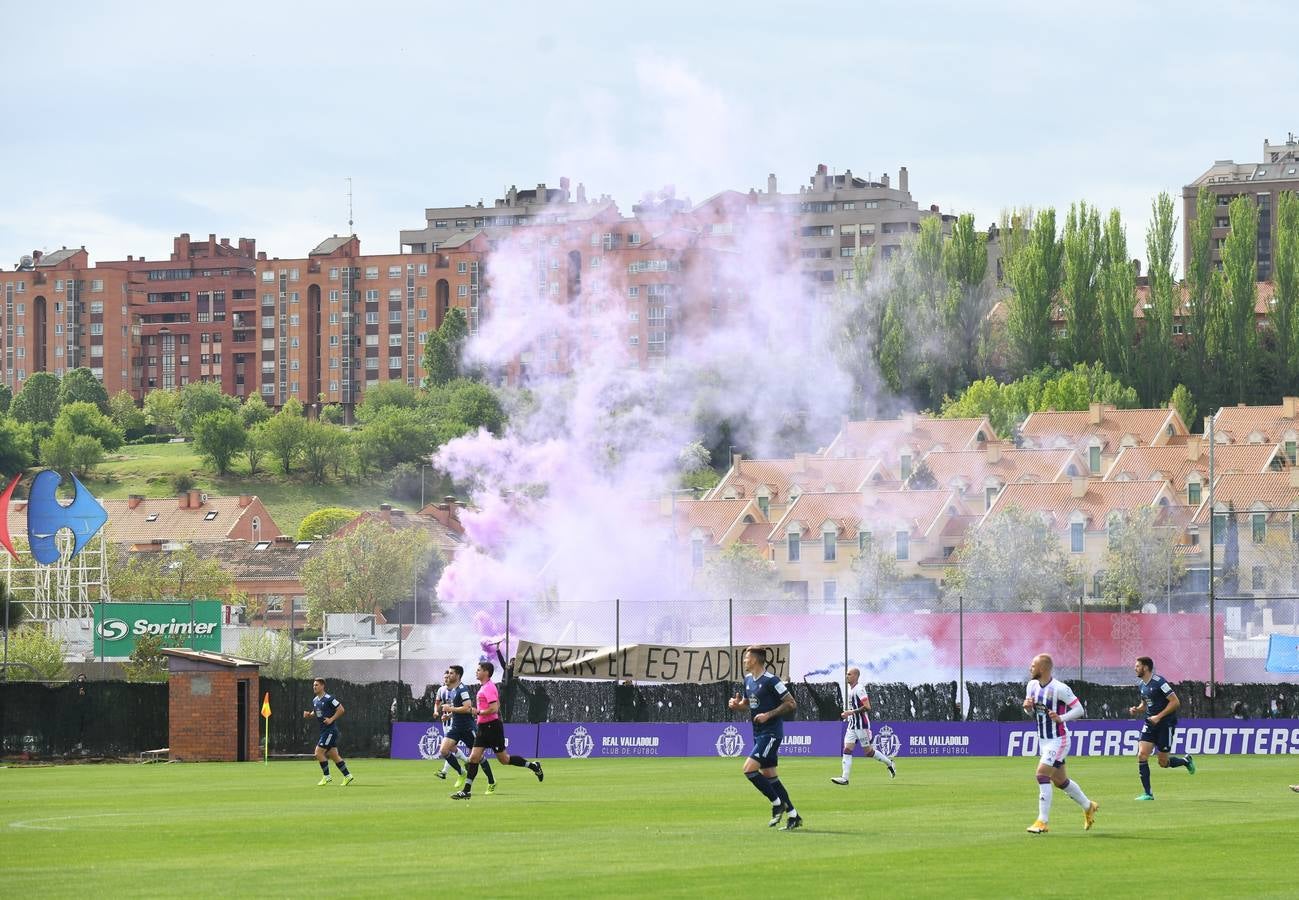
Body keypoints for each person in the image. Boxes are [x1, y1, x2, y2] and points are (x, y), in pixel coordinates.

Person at [727, 646, 803, 830]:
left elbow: (791, 703)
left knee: (749, 770)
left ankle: (777, 804)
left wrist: (768, 715)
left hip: (771, 734)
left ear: (755, 660)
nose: (744, 661)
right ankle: (794, 816)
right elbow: (748, 704)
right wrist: (738, 706)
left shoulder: (772, 680)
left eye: (746, 658)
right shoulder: (747, 680)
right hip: (758, 733)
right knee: (771, 777)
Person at [1021, 653, 1097, 834]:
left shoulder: (1060, 688)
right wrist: (1027, 708)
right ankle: (1088, 806)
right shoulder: (1031, 686)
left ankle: (1042, 821)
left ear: (1043, 668)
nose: (1030, 668)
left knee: (1041, 775)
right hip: (1043, 740)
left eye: (1033, 665)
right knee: (1060, 781)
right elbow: (1033, 714)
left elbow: (1079, 709)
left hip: (1059, 740)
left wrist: (1061, 718)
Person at [450, 661, 542, 799]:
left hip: (492, 727)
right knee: (474, 758)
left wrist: (478, 712)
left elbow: (494, 708)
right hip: (483, 727)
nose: (476, 672)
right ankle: (466, 791)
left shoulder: (488, 688)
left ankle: (533, 766)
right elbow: (496, 704)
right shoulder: (485, 687)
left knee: (504, 759)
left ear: (486, 672)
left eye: (479, 670)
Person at [1128, 655, 1195, 801]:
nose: (1135, 668)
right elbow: (1145, 705)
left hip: (1165, 724)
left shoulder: (1160, 682)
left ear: (1145, 667)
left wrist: (1158, 717)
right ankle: (1148, 793)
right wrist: (1137, 709)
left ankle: (1186, 761)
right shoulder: (1141, 685)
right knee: (1141, 755)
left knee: (1163, 763)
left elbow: (1175, 702)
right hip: (1150, 724)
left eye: (1138, 666)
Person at [433, 666, 495, 792]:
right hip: (456, 727)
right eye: (448, 673)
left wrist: (451, 710)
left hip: (467, 728)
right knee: (444, 750)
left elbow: (467, 707)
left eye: (451, 673)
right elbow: (459, 709)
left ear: (458, 675)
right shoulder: (453, 690)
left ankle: (491, 781)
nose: (448, 675)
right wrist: (449, 715)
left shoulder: (462, 689)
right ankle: (461, 772)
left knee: (479, 757)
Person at [831, 666, 895, 784]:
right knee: (847, 750)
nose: (847, 676)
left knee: (869, 752)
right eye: (847, 674)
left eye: (849, 674)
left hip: (861, 725)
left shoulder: (859, 689)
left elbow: (867, 707)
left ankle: (889, 763)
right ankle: (845, 778)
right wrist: (848, 714)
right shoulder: (851, 690)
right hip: (852, 725)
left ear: (855, 676)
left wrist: (850, 712)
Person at [303, 678, 354, 785]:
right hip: (324, 731)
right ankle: (347, 775)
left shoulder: (329, 698)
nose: (314, 687)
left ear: (322, 686)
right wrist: (310, 715)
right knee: (334, 755)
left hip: (330, 731)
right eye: (313, 685)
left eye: (316, 685)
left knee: (318, 752)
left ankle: (326, 776)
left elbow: (341, 709)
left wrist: (331, 719)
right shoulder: (315, 700)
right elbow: (316, 712)